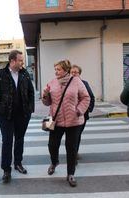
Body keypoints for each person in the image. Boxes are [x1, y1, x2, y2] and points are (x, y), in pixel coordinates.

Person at [42, 59, 90, 187]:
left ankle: (70, 174)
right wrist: (45, 95)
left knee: (71, 148)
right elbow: (47, 103)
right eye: (55, 69)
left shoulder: (76, 81)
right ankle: (54, 162)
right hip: (56, 120)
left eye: (58, 69)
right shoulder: (52, 83)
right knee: (52, 145)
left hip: (74, 121)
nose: (56, 72)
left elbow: (86, 97)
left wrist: (79, 110)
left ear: (66, 70)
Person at [0, 50, 35, 183]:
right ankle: (6, 169)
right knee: (7, 141)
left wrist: (30, 109)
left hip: (22, 114)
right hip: (6, 115)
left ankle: (18, 163)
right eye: (20, 60)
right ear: (12, 61)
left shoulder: (24, 74)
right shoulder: (0, 74)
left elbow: (31, 92)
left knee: (19, 139)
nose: (23, 62)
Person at [70, 65, 95, 163]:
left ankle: (74, 153)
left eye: (76, 72)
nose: (73, 74)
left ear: (79, 74)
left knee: (77, 134)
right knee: (72, 135)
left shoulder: (84, 83)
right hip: (70, 115)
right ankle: (73, 154)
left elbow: (91, 97)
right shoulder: (67, 84)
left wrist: (88, 109)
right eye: (72, 72)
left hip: (82, 115)